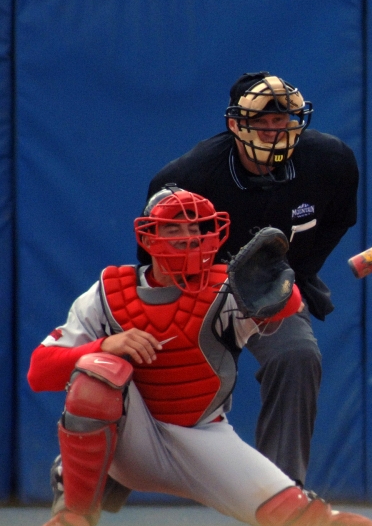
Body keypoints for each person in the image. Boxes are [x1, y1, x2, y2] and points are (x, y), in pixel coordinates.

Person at [26, 188, 372, 526]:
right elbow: (40, 372)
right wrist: (106, 344)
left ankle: (300, 511)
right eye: (174, 228)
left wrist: (279, 284)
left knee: (307, 524)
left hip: (202, 434)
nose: (188, 237)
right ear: (148, 237)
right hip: (131, 438)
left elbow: (285, 310)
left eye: (197, 229)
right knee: (97, 374)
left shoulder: (229, 286)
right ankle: (74, 514)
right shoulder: (108, 292)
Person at [139, 72, 360, 488]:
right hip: (196, 290)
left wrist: (294, 274)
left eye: (283, 123)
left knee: (297, 356)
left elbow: (336, 222)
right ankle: (91, 483)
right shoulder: (190, 177)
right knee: (154, 377)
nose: (274, 133)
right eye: (262, 124)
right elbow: (154, 256)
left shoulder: (332, 163)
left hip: (269, 288)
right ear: (235, 125)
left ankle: (281, 496)